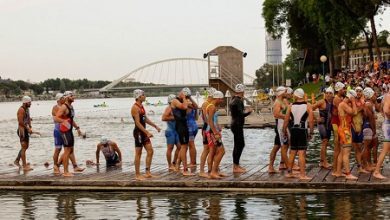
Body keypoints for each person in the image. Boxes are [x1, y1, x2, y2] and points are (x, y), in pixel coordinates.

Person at [283, 88, 314, 180]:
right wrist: (311, 132)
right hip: (302, 130)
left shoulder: (290, 105)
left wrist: (284, 130)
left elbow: (286, 119)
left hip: (293, 130)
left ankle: (289, 173)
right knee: (301, 153)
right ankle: (302, 175)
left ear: (296, 96)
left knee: (292, 152)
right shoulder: (308, 105)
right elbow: (311, 121)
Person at [131, 89, 161, 180]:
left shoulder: (141, 106)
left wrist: (155, 126)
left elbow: (145, 119)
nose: (145, 96)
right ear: (139, 97)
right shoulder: (135, 108)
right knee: (138, 153)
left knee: (150, 151)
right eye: (143, 95)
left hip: (143, 132)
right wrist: (147, 132)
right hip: (138, 133)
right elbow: (138, 123)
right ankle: (137, 174)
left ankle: (147, 172)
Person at [52, 93, 84, 174]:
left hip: (68, 130)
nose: (63, 99)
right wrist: (63, 121)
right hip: (59, 130)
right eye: (62, 98)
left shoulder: (70, 107)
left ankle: (73, 166)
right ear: (60, 99)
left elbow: (70, 119)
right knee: (59, 149)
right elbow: (56, 118)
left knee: (70, 149)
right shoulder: (58, 107)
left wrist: (77, 128)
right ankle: (57, 166)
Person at [334, 90, 358, 180]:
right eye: (354, 98)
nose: (354, 100)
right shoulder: (343, 104)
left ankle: (338, 172)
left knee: (342, 152)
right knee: (346, 153)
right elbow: (354, 113)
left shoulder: (342, 104)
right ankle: (348, 173)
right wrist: (353, 102)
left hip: (343, 129)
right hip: (345, 130)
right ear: (351, 97)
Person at [229, 84, 252, 173]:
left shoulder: (233, 99)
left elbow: (238, 113)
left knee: (238, 145)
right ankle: (235, 166)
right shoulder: (238, 101)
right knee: (239, 145)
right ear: (242, 92)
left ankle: (236, 165)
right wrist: (249, 112)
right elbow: (241, 114)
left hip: (235, 124)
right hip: (237, 125)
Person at [171, 88, 193, 176]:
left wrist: (189, 99)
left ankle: (177, 166)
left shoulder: (184, 100)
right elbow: (184, 107)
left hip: (184, 125)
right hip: (180, 126)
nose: (186, 97)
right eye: (185, 95)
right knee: (184, 147)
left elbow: (195, 107)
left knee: (185, 146)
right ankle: (185, 169)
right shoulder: (175, 101)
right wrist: (184, 99)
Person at [268, 86, 289, 173]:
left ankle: (271, 167)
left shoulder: (282, 101)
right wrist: (287, 117)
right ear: (281, 93)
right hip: (280, 127)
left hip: (282, 126)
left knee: (277, 147)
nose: (286, 93)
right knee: (283, 146)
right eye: (285, 91)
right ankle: (289, 168)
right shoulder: (277, 102)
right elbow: (276, 115)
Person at [312, 87, 333, 169]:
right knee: (324, 142)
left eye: (330, 93)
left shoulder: (333, 102)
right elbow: (310, 108)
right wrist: (316, 118)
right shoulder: (322, 102)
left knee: (326, 143)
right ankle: (324, 162)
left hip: (328, 125)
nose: (328, 95)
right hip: (322, 125)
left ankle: (321, 161)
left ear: (332, 94)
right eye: (327, 93)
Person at [205, 91, 225, 179]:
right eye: (221, 99)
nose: (222, 101)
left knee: (215, 152)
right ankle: (213, 171)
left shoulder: (210, 105)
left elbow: (212, 120)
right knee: (222, 151)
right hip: (212, 132)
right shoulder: (212, 107)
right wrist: (215, 132)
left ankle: (215, 171)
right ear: (217, 98)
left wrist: (218, 127)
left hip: (211, 131)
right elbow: (209, 121)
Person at [199, 87, 216, 178]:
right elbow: (207, 119)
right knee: (207, 149)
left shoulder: (208, 104)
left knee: (212, 149)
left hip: (207, 128)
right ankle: (202, 171)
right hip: (206, 129)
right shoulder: (206, 104)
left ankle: (211, 169)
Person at [373, 92, 390, 179]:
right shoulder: (388, 96)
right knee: (385, 149)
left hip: (387, 124)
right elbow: (386, 111)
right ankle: (376, 171)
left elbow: (381, 109)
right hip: (388, 126)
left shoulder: (385, 96)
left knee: (388, 149)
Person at [162, 94, 181, 171]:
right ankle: (170, 165)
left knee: (180, 147)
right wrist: (175, 118)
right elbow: (163, 118)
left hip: (177, 131)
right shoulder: (169, 108)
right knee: (170, 148)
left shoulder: (177, 108)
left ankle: (174, 162)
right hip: (170, 131)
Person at [15, 96, 34, 171]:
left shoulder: (27, 109)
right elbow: (20, 122)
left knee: (26, 147)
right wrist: (27, 128)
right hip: (22, 130)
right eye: (29, 102)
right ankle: (24, 166)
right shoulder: (21, 110)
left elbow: (28, 118)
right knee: (24, 147)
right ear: (25, 102)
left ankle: (17, 160)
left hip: (26, 129)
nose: (30, 104)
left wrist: (30, 126)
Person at [331, 82, 346, 175]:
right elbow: (343, 109)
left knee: (340, 147)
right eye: (343, 89)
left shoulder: (340, 98)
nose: (344, 90)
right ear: (339, 90)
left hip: (339, 123)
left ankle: (338, 168)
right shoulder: (337, 99)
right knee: (337, 148)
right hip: (336, 124)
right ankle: (335, 170)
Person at [362, 87, 377, 171]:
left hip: (368, 126)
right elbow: (371, 119)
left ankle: (369, 164)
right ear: (370, 95)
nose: (376, 96)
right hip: (367, 127)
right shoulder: (368, 104)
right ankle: (366, 165)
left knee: (369, 146)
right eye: (374, 94)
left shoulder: (370, 103)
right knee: (366, 147)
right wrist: (374, 130)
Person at [351, 87, 366, 173]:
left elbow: (365, 113)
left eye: (360, 91)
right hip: (353, 126)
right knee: (355, 148)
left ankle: (361, 165)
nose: (358, 93)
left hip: (360, 126)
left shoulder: (362, 102)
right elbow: (353, 113)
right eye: (357, 91)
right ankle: (359, 166)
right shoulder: (352, 102)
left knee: (360, 147)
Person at [185, 88, 199, 167]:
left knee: (191, 144)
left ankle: (193, 162)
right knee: (190, 144)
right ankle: (193, 161)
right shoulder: (193, 104)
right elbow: (196, 117)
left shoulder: (186, 104)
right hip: (194, 125)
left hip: (189, 126)